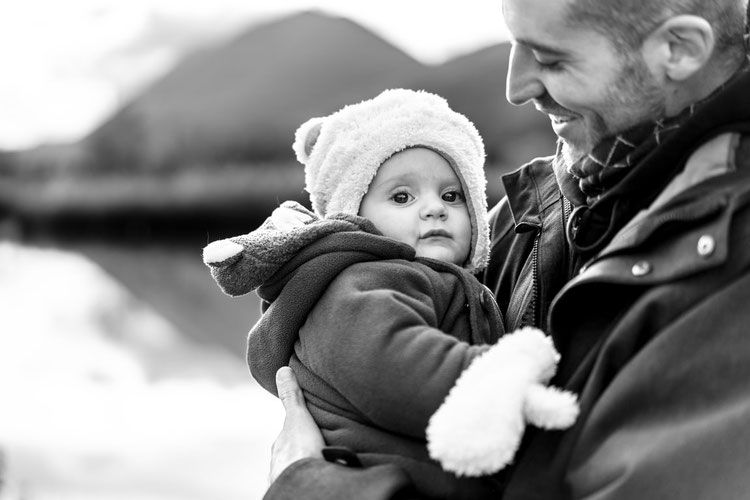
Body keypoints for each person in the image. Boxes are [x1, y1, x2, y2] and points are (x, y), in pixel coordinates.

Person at [264, 0, 750, 498]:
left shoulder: (732, 276)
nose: (516, 88)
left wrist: (308, 485)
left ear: (679, 49)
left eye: (552, 58)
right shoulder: (536, 212)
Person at [203, 89, 578, 499]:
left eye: (452, 196)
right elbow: (392, 366)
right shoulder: (362, 281)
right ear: (354, 214)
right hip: (372, 479)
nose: (434, 209)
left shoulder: (434, 277)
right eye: (402, 197)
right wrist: (499, 371)